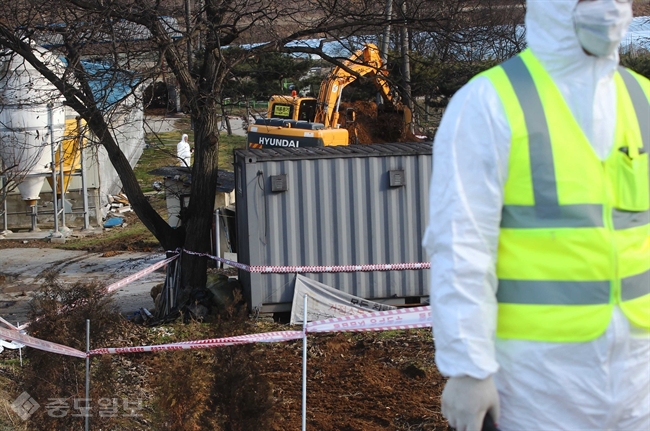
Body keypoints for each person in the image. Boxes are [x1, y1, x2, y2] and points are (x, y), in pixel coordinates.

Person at [422, 1, 649, 430]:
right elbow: (461, 243)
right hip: (536, 382)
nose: (610, 7)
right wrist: (469, 367)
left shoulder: (643, 99)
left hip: (640, 377)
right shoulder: (489, 103)